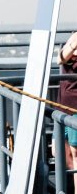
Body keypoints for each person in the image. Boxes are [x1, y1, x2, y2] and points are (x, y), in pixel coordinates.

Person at [59, 31, 77, 193]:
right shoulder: (73, 39)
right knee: (59, 152)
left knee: (75, 153)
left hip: (75, 108)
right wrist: (73, 44)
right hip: (63, 107)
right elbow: (61, 59)